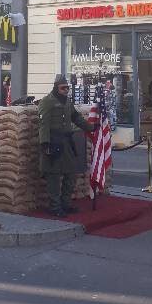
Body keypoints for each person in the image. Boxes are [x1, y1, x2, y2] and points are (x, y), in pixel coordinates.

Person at [38, 74, 95, 216]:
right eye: (63, 88)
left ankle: (66, 203)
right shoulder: (47, 102)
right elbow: (43, 124)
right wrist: (45, 144)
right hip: (53, 142)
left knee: (71, 174)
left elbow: (76, 117)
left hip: (67, 143)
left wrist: (91, 127)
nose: (66, 90)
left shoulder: (67, 102)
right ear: (56, 88)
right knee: (54, 177)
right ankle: (55, 207)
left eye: (67, 88)